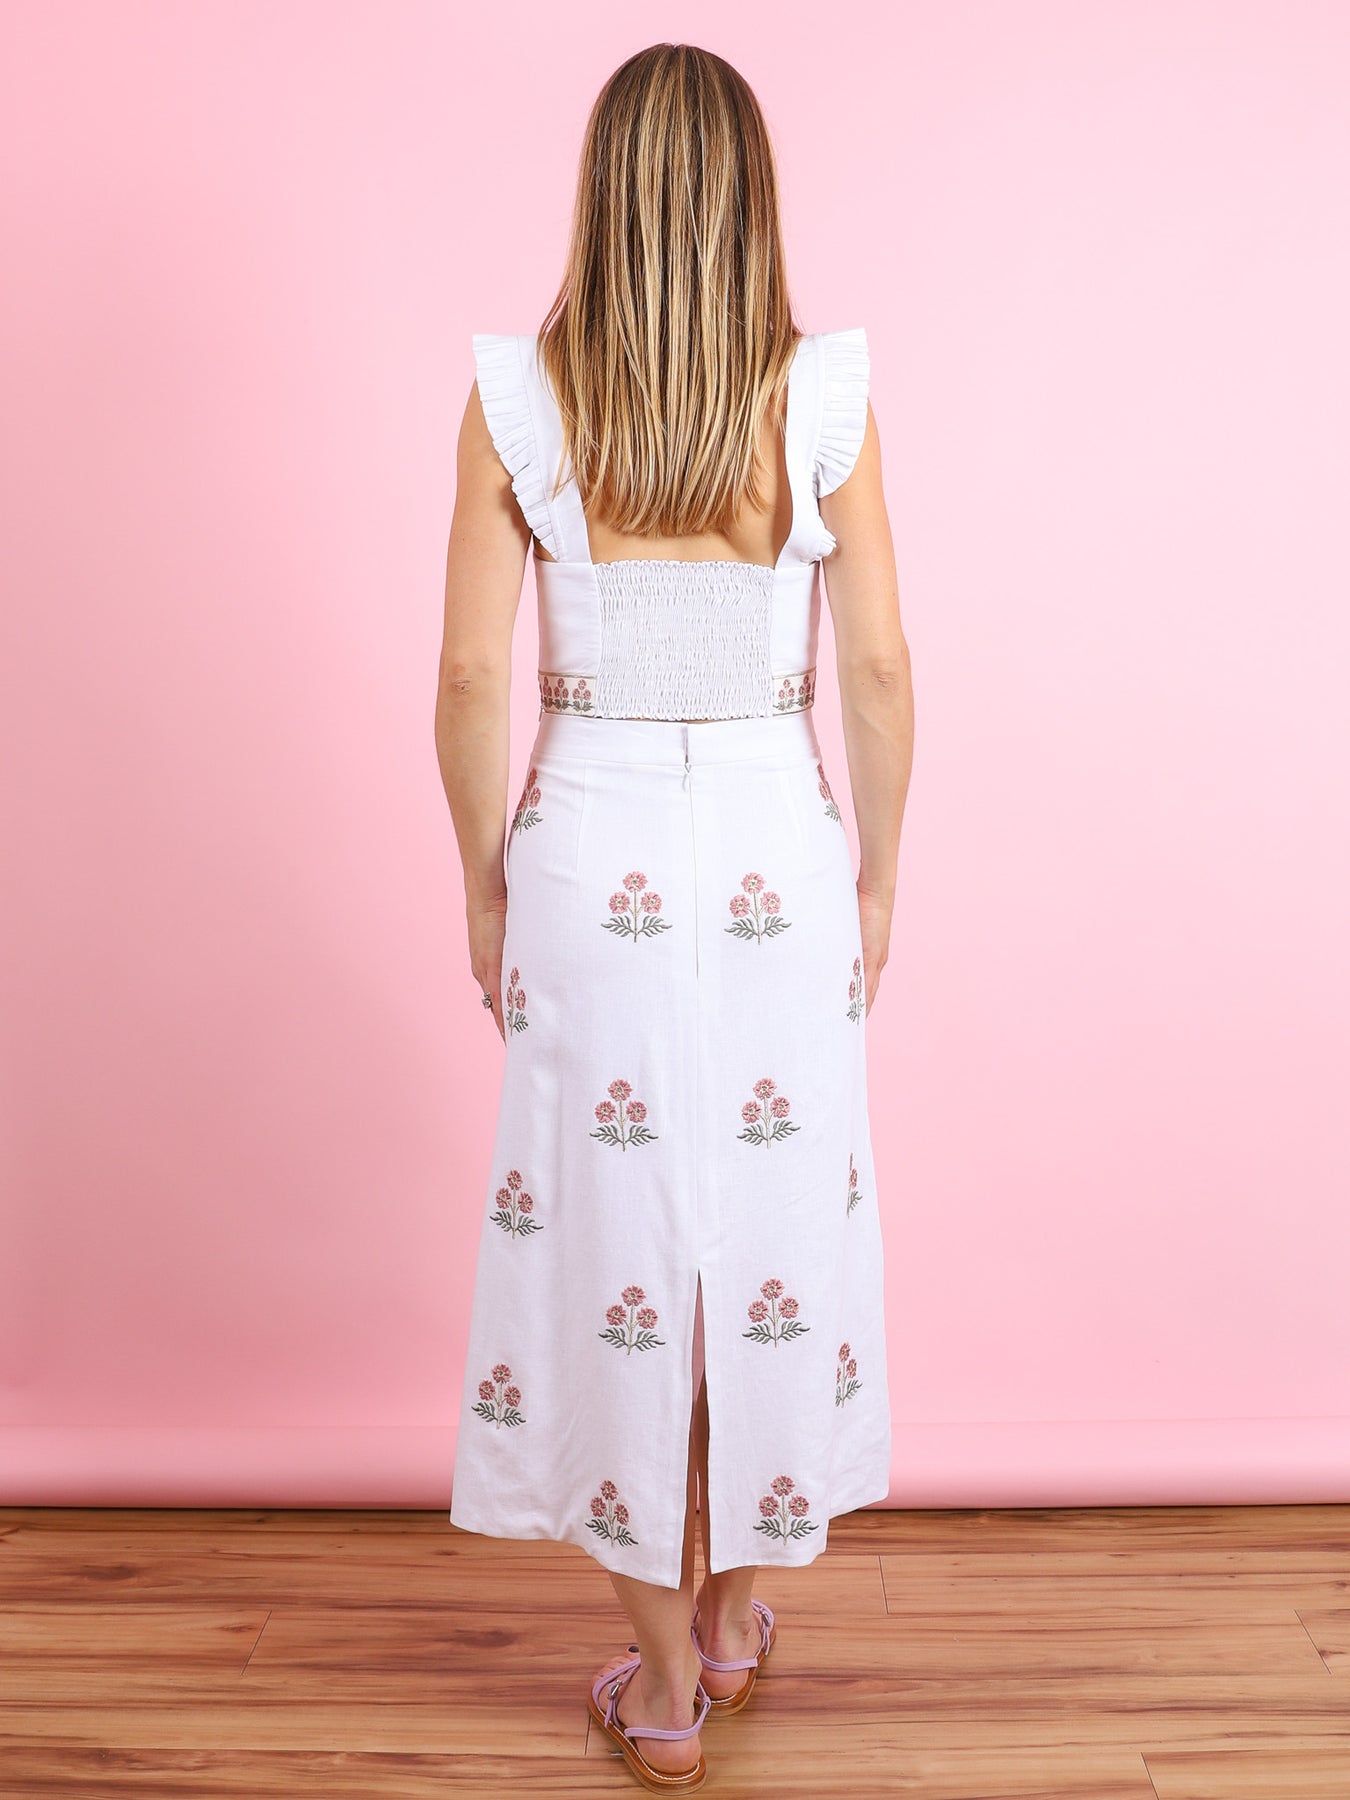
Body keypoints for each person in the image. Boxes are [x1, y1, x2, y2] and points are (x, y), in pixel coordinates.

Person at [434, 42, 913, 1796]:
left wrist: (483, 877)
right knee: (772, 1222)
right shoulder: (822, 396)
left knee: (610, 1244)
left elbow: (473, 673)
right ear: (750, 202)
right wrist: (877, 875)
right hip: (778, 854)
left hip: (590, 854)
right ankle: (728, 1613)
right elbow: (873, 666)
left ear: (601, 195)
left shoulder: (518, 400)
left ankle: (657, 1681)